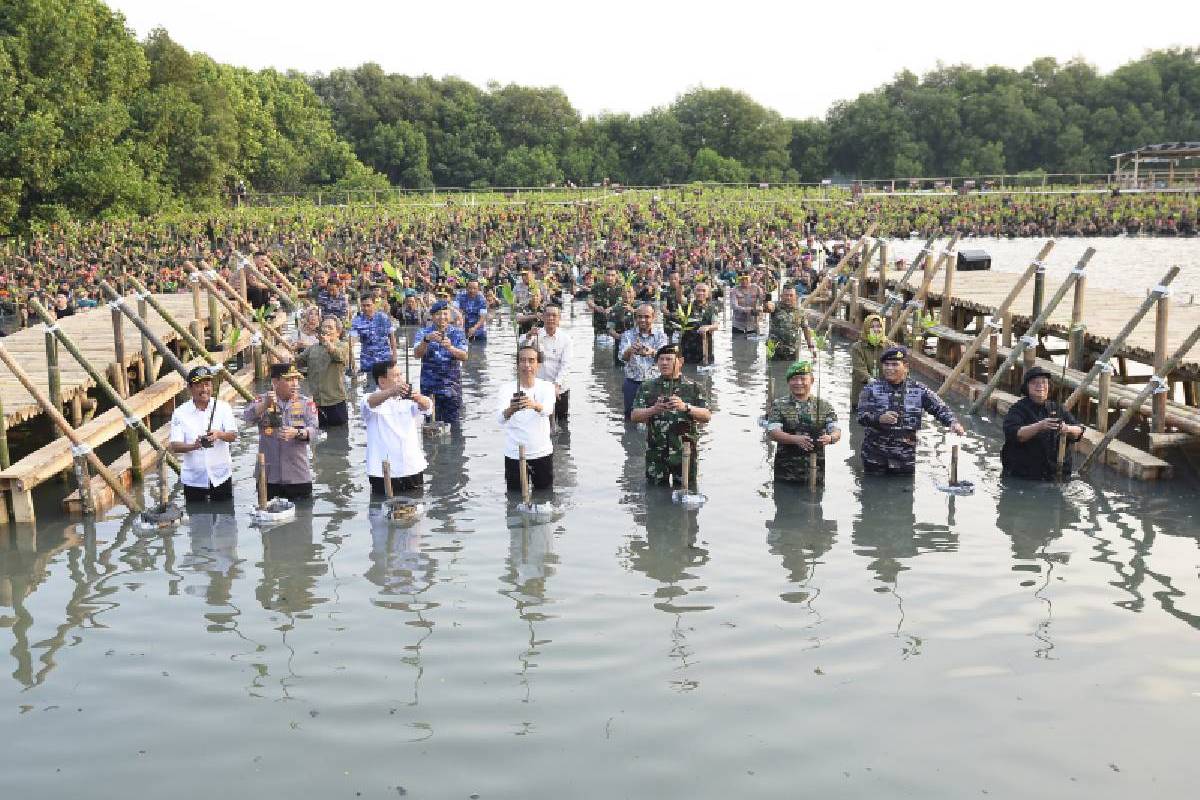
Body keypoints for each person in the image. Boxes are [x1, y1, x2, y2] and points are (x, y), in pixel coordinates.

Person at [856, 346, 965, 475]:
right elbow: (861, 416)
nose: (889, 368)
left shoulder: (918, 390)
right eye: (886, 364)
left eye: (895, 364)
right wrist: (879, 418)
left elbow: (939, 408)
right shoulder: (871, 389)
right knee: (871, 491)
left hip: (904, 457)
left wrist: (953, 423)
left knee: (904, 491)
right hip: (875, 456)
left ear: (906, 367)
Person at [630, 344, 712, 487]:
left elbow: (706, 416)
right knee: (654, 497)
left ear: (680, 361)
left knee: (686, 494)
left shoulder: (693, 387)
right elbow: (634, 416)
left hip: (684, 453)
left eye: (669, 359)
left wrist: (685, 407)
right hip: (656, 453)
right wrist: (654, 410)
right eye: (661, 359)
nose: (664, 363)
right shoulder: (647, 386)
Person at [243, 362, 319, 500]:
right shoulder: (261, 399)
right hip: (269, 477)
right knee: (267, 517)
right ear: (275, 381)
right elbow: (247, 418)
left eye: (296, 379)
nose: (295, 383)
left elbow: (315, 430)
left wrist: (297, 433)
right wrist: (266, 404)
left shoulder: (306, 403)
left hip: (298, 475)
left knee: (302, 518)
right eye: (289, 379)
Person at [1001, 366, 1085, 480]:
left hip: (1056, 476)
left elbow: (1079, 430)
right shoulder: (1017, 410)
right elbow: (1016, 434)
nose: (1040, 385)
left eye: (1044, 382)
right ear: (1027, 387)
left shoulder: (1058, 408)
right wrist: (1040, 426)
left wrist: (1067, 429)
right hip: (1023, 477)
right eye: (1035, 382)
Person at [362, 360, 432, 495]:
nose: (401, 379)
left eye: (401, 375)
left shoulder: (408, 399)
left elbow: (428, 406)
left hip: (411, 467)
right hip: (382, 472)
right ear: (382, 381)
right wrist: (391, 392)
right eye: (396, 376)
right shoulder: (369, 399)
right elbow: (370, 402)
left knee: (414, 510)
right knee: (384, 512)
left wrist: (416, 397)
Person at [168, 366, 238, 503]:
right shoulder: (180, 413)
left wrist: (219, 435)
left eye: (207, 384)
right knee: (197, 520)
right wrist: (194, 445)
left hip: (221, 476)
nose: (204, 389)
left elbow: (233, 435)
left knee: (226, 520)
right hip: (194, 479)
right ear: (189, 388)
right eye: (199, 385)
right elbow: (175, 445)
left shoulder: (223, 408)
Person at [766, 360, 841, 484]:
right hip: (786, 472)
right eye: (794, 379)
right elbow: (773, 433)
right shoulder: (779, 405)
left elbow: (836, 429)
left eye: (802, 378)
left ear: (811, 380)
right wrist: (796, 439)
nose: (798, 383)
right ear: (788, 382)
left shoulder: (824, 405)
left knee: (815, 501)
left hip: (816, 470)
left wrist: (831, 438)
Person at [497, 345, 557, 492]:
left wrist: (534, 405)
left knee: (545, 498)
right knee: (514, 499)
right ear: (517, 364)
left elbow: (548, 410)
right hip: (514, 453)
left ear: (538, 364)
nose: (527, 365)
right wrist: (511, 409)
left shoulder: (547, 387)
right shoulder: (506, 388)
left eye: (531, 360)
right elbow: (499, 418)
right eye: (522, 360)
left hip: (541, 452)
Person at [413, 299, 468, 423]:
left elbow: (464, 356)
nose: (442, 317)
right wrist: (426, 340)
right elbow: (417, 354)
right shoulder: (423, 333)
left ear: (449, 315)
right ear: (432, 316)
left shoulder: (457, 333)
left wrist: (450, 348)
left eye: (445, 313)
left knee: (455, 426)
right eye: (438, 314)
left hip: (452, 388)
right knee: (430, 425)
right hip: (429, 388)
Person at [295, 317, 350, 428]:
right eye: (324, 327)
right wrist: (287, 356)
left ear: (338, 332)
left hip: (335, 402)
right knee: (318, 433)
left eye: (330, 327)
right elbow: (297, 362)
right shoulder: (313, 348)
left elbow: (338, 356)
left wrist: (327, 343)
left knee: (339, 437)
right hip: (317, 402)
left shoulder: (342, 346)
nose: (326, 330)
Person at [521, 305, 572, 424]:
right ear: (543, 317)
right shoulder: (535, 334)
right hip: (538, 388)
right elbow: (521, 347)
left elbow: (566, 365)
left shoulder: (566, 339)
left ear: (559, 319)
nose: (551, 318)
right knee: (537, 422)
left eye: (554, 316)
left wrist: (556, 386)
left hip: (559, 389)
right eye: (548, 315)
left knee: (562, 423)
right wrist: (529, 335)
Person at [618, 304, 669, 420]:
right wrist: (631, 350)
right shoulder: (627, 335)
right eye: (639, 317)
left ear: (653, 317)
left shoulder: (661, 336)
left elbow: (665, 357)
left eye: (646, 317)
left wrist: (651, 352)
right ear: (635, 318)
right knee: (630, 417)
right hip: (632, 382)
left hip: (655, 383)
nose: (642, 320)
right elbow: (622, 358)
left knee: (656, 417)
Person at [350, 294, 394, 386]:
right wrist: (352, 361)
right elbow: (352, 341)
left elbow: (392, 337)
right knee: (370, 391)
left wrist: (395, 355)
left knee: (388, 388)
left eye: (368, 305)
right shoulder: (357, 321)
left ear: (374, 304)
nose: (365, 308)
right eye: (363, 306)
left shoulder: (383, 317)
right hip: (368, 361)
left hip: (384, 358)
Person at [849, 313, 889, 410]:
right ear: (866, 328)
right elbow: (859, 369)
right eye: (872, 327)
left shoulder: (889, 347)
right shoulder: (857, 347)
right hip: (862, 397)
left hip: (883, 399)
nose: (876, 329)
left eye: (879, 326)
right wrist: (870, 380)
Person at [766, 284, 816, 361]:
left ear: (795, 297)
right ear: (781, 296)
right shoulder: (776, 306)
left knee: (793, 372)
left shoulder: (800, 311)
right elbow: (768, 308)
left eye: (791, 295)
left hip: (792, 352)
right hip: (774, 351)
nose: (788, 298)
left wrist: (811, 346)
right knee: (772, 372)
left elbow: (806, 329)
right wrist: (766, 301)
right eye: (786, 295)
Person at [676, 282, 719, 366]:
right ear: (694, 292)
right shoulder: (687, 306)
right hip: (687, 348)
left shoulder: (712, 308)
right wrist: (680, 285)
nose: (700, 293)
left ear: (708, 294)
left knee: (706, 374)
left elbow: (716, 325)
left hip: (705, 348)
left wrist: (707, 327)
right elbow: (679, 299)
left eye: (703, 291)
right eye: (698, 290)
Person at [588, 266, 622, 340]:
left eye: (612, 275)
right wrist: (595, 307)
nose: (610, 278)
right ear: (604, 276)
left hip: (616, 323)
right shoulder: (596, 287)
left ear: (616, 276)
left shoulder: (621, 288)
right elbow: (589, 300)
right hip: (599, 323)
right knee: (599, 348)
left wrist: (612, 308)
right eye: (608, 275)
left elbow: (623, 302)